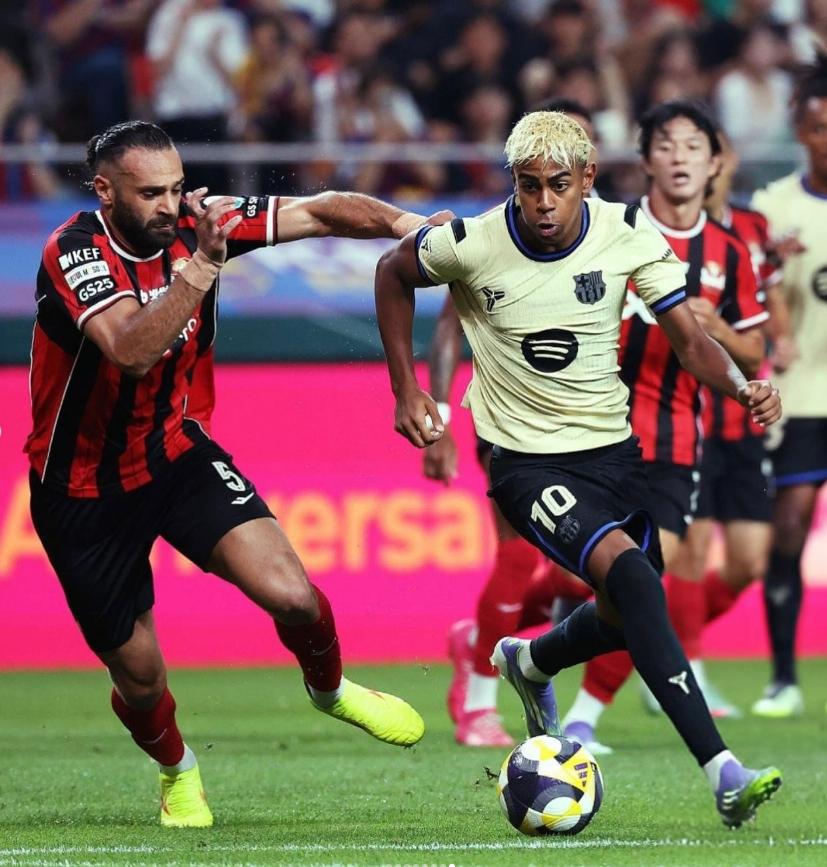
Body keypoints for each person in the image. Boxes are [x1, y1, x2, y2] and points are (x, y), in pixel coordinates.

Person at [27, 120, 442, 829]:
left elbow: (321, 211)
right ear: (105, 191)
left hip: (174, 454)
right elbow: (130, 350)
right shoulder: (75, 251)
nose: (170, 205)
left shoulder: (199, 224)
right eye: (151, 193)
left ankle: (331, 689)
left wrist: (412, 225)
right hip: (81, 490)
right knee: (141, 677)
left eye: (177, 187)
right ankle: (177, 770)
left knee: (293, 596)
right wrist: (202, 266)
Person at [374, 109, 782, 828]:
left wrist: (742, 386)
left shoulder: (628, 235)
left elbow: (690, 341)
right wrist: (409, 389)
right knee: (635, 581)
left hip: (613, 456)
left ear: (587, 179)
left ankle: (530, 661)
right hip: (524, 464)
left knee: (626, 613)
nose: (542, 203)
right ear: (512, 181)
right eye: (528, 186)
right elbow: (390, 271)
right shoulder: (471, 240)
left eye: (557, 186)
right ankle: (722, 771)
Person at [559, 100, 768, 752]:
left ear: (714, 164)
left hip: (675, 439)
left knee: (640, 580)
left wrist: (717, 327)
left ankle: (576, 710)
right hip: (593, 432)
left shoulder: (729, 251)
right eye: (666, 145)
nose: (680, 157)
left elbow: (754, 353)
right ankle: (531, 657)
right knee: (592, 580)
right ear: (645, 158)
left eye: (693, 146)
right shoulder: (606, 227)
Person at [424, 99, 595, 748]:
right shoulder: (487, 239)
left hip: (584, 423)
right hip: (505, 420)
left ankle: (476, 638)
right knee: (519, 554)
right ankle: (478, 704)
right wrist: (440, 416)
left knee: (579, 576)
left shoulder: (612, 233)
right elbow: (449, 328)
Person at [748, 52, 827, 718]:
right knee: (789, 530)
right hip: (800, 391)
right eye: (818, 127)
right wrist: (770, 266)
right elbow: (746, 292)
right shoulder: (773, 207)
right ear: (801, 132)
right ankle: (782, 677)